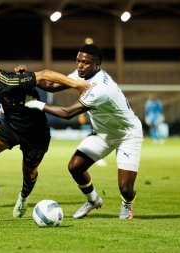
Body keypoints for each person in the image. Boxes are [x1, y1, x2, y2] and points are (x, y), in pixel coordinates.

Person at [0, 50, 88, 217]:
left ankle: (23, 197)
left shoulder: (11, 81)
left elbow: (45, 74)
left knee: (29, 172)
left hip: (35, 133)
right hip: (10, 126)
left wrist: (78, 85)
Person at [25, 44, 143, 220]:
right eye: (78, 61)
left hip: (127, 134)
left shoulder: (101, 88)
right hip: (102, 133)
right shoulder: (80, 74)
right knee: (75, 167)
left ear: (97, 63)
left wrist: (39, 105)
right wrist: (26, 78)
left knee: (125, 189)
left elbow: (67, 113)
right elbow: (50, 84)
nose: (80, 65)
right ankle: (93, 200)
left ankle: (127, 203)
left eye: (85, 62)